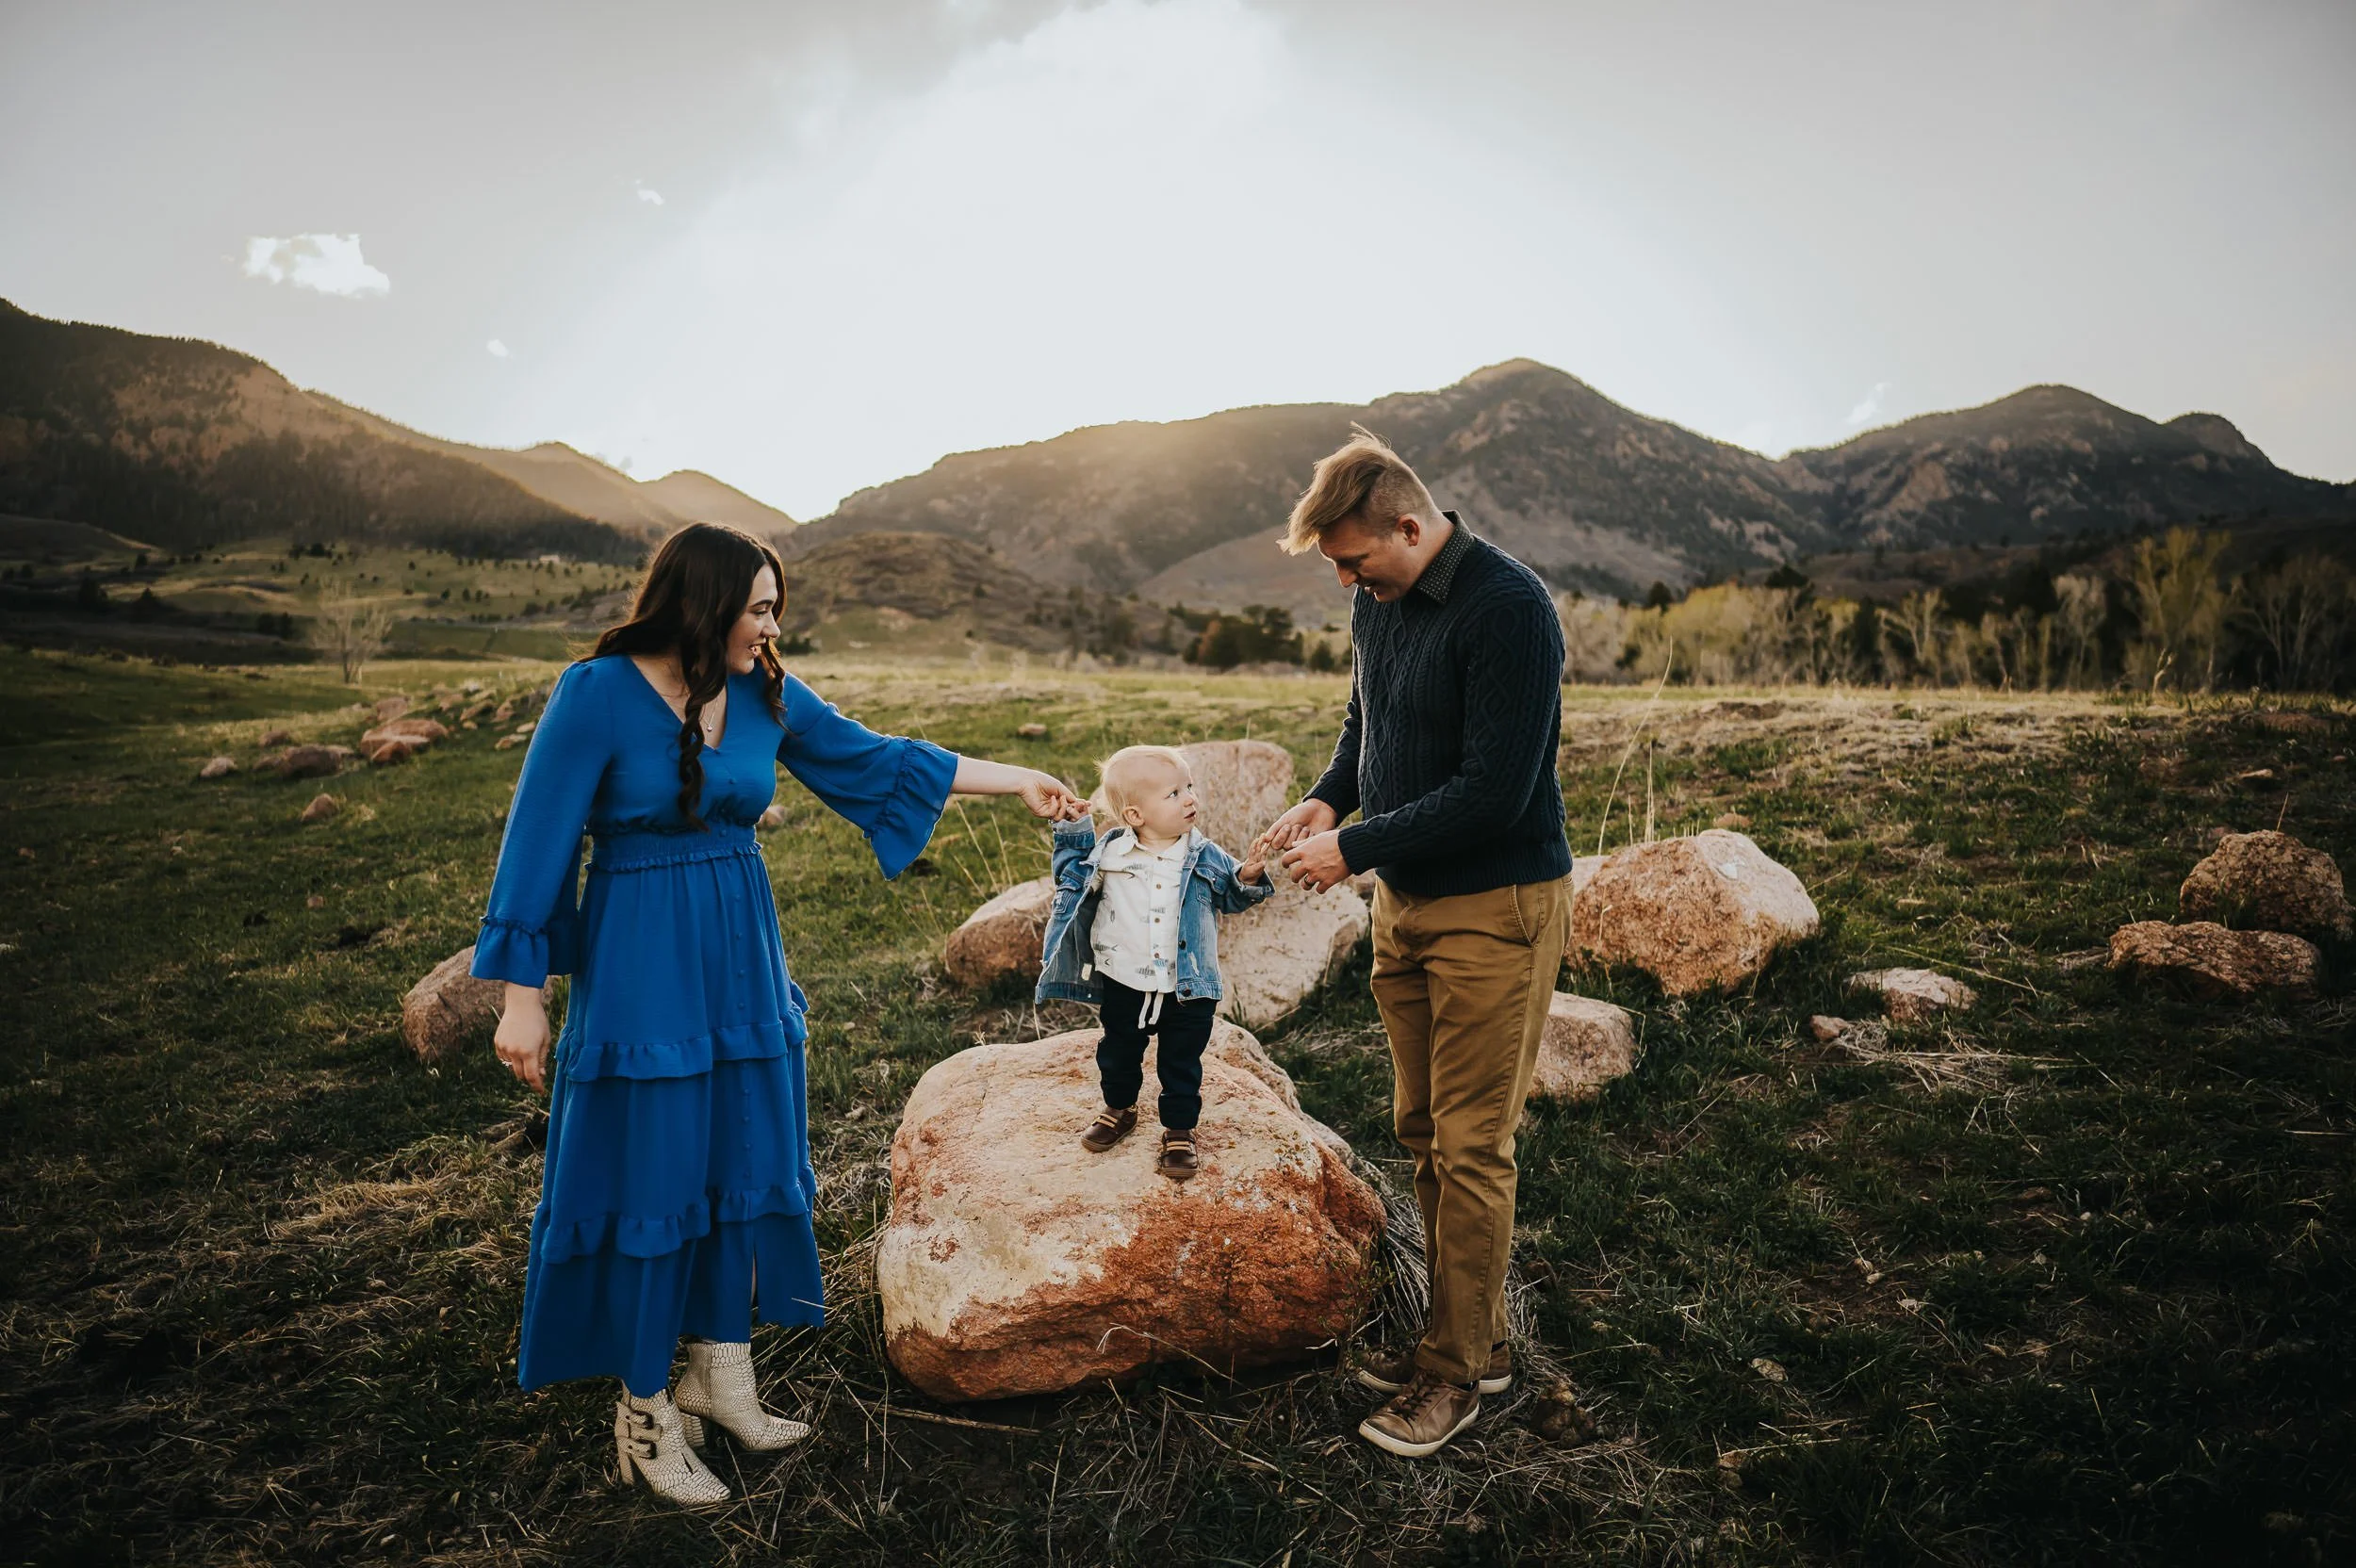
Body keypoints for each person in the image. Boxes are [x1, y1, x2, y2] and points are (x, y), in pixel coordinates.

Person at [476, 522, 1085, 1507]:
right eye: (758, 607)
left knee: (745, 1156)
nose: (771, 626)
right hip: (640, 963)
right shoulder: (595, 691)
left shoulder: (763, 690)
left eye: (774, 608)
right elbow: (537, 838)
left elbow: (875, 757)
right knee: (655, 1170)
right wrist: (521, 999)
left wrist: (1015, 777)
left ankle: (719, 1370)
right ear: (704, 602)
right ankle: (643, 1408)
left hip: (741, 959)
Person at [1259, 428, 1573, 1460]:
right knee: (1424, 1128)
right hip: (1408, 900)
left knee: (1474, 1149)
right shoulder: (1378, 594)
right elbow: (1369, 719)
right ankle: (1465, 1336)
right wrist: (1323, 799)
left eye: (1355, 560)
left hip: (1498, 904)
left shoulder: (1509, 609)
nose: (1348, 581)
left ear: (1409, 524)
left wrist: (1353, 846)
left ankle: (1455, 1377)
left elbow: (1493, 793)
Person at [1033, 745, 1273, 1180]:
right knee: (1119, 1049)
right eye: (1173, 793)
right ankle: (1119, 1108)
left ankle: (1179, 1129)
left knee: (1181, 1060)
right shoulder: (1111, 854)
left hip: (1186, 984)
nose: (1189, 799)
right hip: (1125, 978)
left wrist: (1248, 877)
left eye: (1189, 788)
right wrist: (1071, 830)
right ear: (1134, 816)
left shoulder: (1205, 855)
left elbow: (1233, 896)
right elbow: (1071, 877)